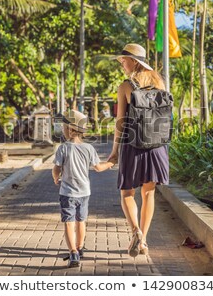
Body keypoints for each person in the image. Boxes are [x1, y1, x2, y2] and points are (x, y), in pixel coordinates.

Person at [107, 43, 169, 257]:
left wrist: (114, 151)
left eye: (123, 60)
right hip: (157, 146)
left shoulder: (126, 86)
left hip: (133, 145)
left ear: (134, 61)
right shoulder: (160, 83)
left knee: (127, 193)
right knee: (149, 192)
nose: (122, 64)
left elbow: (121, 122)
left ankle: (136, 231)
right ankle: (143, 242)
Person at [52, 110, 115, 267]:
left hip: (67, 193)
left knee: (68, 222)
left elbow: (56, 168)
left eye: (64, 127)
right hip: (84, 192)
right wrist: (111, 163)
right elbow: (98, 168)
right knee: (81, 221)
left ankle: (72, 252)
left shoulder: (63, 148)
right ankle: (80, 248)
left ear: (71, 130)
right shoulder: (88, 148)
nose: (63, 130)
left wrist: (55, 177)